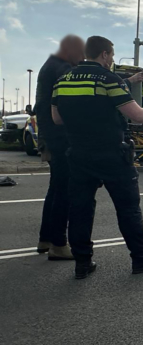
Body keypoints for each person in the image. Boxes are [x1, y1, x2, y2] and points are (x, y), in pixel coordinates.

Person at [51, 35, 143, 279]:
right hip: (112, 155)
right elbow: (136, 115)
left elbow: (57, 118)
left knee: (80, 210)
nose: (112, 60)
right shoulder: (109, 79)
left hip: (79, 155)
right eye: (112, 55)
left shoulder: (62, 81)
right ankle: (140, 259)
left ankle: (82, 263)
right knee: (128, 209)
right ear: (104, 54)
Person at [34, 35, 85, 260]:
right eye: (81, 53)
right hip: (61, 138)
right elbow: (76, 97)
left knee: (55, 189)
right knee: (64, 191)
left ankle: (46, 238)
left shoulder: (50, 65)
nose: (82, 58)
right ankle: (58, 244)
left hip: (50, 137)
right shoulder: (62, 68)